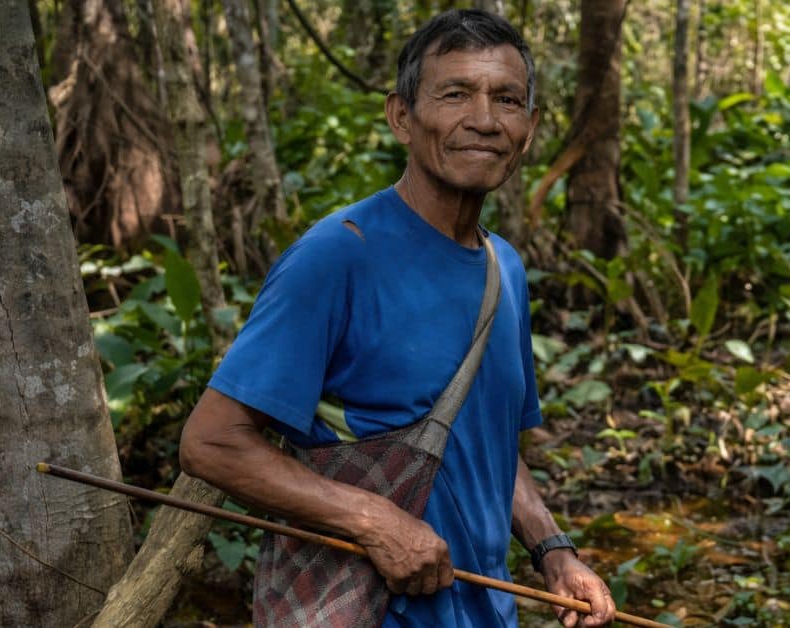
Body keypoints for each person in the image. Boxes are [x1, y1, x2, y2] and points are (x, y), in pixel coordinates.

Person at [179, 8, 616, 628]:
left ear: (530, 127)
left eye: (507, 100)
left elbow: (484, 445)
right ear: (401, 117)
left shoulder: (506, 269)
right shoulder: (338, 255)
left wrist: (554, 550)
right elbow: (212, 442)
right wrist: (373, 520)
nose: (484, 120)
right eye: (455, 94)